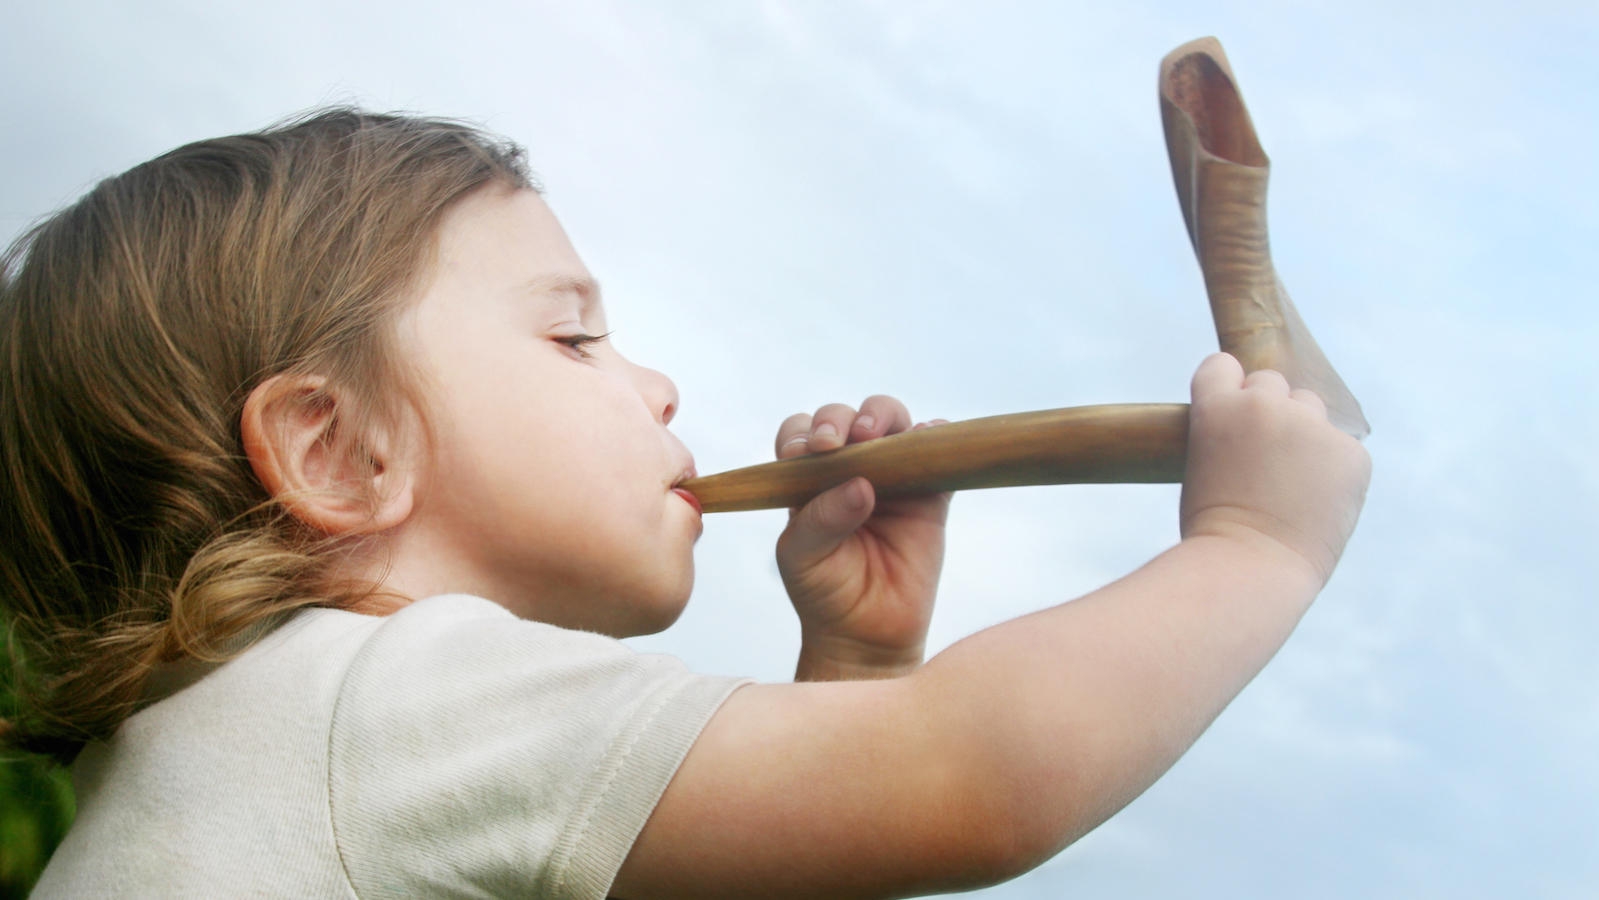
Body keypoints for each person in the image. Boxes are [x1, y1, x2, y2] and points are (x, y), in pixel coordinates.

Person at [0, 108, 1370, 899]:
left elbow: (838, 843)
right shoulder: (372, 698)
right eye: (574, 338)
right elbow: (974, 779)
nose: (654, 385)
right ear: (336, 448)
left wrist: (856, 665)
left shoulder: (249, 747)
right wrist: (1257, 545)